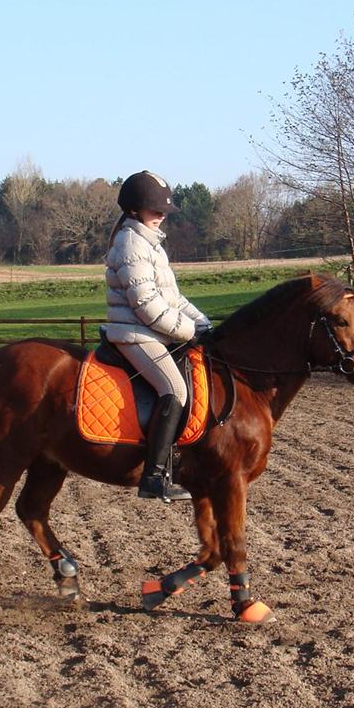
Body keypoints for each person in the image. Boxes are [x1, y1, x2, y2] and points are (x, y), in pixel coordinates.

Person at [104, 170, 213, 501]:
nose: (162, 215)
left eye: (164, 210)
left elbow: (173, 299)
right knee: (175, 388)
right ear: (135, 210)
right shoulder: (130, 243)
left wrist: (204, 323)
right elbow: (147, 306)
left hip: (154, 332)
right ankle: (153, 476)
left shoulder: (150, 244)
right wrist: (190, 331)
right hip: (135, 335)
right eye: (155, 210)